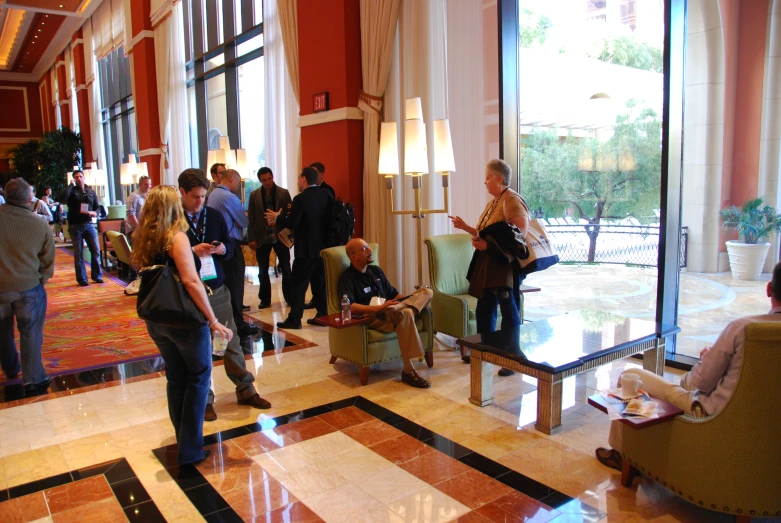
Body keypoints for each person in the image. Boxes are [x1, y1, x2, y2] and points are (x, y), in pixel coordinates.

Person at [595, 260, 781, 472]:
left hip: (710, 413)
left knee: (631, 375)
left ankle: (623, 453)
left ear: (769, 289)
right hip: (764, 423)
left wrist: (707, 359)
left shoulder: (744, 329)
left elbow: (703, 381)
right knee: (683, 382)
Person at [132, 185, 233, 465]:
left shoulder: (146, 237)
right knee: (199, 379)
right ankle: (190, 450)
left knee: (176, 379)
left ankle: (183, 440)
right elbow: (190, 281)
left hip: (158, 318)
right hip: (184, 319)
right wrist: (213, 320)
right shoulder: (176, 237)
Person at [178, 169, 271, 421]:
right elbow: (166, 257)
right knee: (199, 347)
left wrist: (221, 249)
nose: (200, 202)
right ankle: (204, 398)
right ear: (182, 193)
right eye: (195, 197)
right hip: (188, 292)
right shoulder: (173, 221)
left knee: (230, 340)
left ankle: (245, 388)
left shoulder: (214, 216)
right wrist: (190, 250)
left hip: (216, 287)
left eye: (202, 196)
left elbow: (230, 247)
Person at [450, 159, 529, 376]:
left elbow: (519, 235)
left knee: (508, 310)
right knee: (485, 310)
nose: (485, 182)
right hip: (488, 266)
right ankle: (484, 351)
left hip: (504, 268)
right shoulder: (493, 202)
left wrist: (489, 246)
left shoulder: (512, 200)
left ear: (499, 178)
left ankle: (512, 358)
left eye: (487, 177)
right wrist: (465, 227)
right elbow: (483, 233)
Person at [338, 238, 433, 388]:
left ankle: (400, 308)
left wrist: (410, 300)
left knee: (427, 292)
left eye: (368, 247)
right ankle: (408, 371)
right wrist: (378, 309)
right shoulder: (347, 278)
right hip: (373, 316)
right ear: (353, 256)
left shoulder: (376, 271)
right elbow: (350, 306)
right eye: (364, 249)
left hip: (391, 310)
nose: (370, 251)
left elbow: (393, 294)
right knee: (407, 314)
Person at [0, 178, 54, 391]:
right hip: (29, 287)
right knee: (31, 333)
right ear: (30, 198)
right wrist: (41, 278)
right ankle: (34, 378)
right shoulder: (39, 223)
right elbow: (48, 259)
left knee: (2, 333)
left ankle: (11, 369)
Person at [270, 167, 333, 329]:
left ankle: (294, 319)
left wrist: (278, 218)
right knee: (320, 282)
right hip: (323, 248)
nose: (298, 181)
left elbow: (292, 223)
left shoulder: (300, 199)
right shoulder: (326, 195)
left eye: (299, 178)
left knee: (299, 284)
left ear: (304, 179)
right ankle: (323, 314)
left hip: (305, 249)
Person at [206, 169, 258, 336]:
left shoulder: (213, 194)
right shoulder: (229, 197)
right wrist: (239, 222)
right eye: (238, 182)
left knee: (227, 285)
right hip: (231, 245)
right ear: (232, 179)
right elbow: (244, 221)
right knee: (235, 286)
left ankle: (227, 319)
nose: (238, 185)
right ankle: (238, 323)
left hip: (220, 246)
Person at [248, 167, 292, 309]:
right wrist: (252, 238)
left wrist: (291, 235)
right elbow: (252, 219)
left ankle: (289, 298)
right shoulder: (254, 195)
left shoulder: (283, 193)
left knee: (286, 268)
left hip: (280, 236)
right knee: (263, 270)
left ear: (272, 177)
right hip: (263, 236)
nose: (267, 182)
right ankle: (265, 299)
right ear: (260, 180)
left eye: (269, 179)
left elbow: (291, 215)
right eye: (264, 180)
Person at [66, 170, 103, 286]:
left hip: (89, 224)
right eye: (76, 177)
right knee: (78, 253)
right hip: (75, 225)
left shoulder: (90, 192)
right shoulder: (71, 192)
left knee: (96, 250)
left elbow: (98, 207)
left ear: (84, 178)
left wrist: (95, 213)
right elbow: (62, 196)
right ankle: (82, 278)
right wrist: (71, 185)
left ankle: (97, 275)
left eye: (80, 176)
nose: (79, 179)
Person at [125, 175, 152, 240]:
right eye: (146, 184)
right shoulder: (133, 197)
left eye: (149, 184)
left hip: (144, 230)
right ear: (140, 185)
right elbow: (130, 214)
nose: (148, 186)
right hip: (134, 231)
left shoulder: (148, 197)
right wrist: (139, 228)